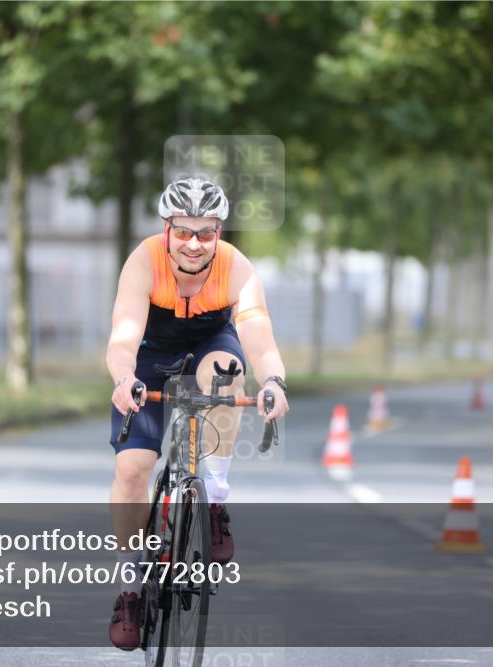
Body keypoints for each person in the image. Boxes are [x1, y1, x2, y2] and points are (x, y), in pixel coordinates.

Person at [105, 177, 290, 650]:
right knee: (132, 469)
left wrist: (274, 381)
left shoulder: (237, 268)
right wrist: (125, 380)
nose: (193, 243)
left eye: (205, 233)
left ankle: (214, 498)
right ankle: (129, 587)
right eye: (183, 231)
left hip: (211, 343)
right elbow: (124, 337)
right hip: (150, 352)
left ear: (219, 233)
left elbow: (258, 335)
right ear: (166, 229)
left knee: (227, 373)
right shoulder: (143, 261)